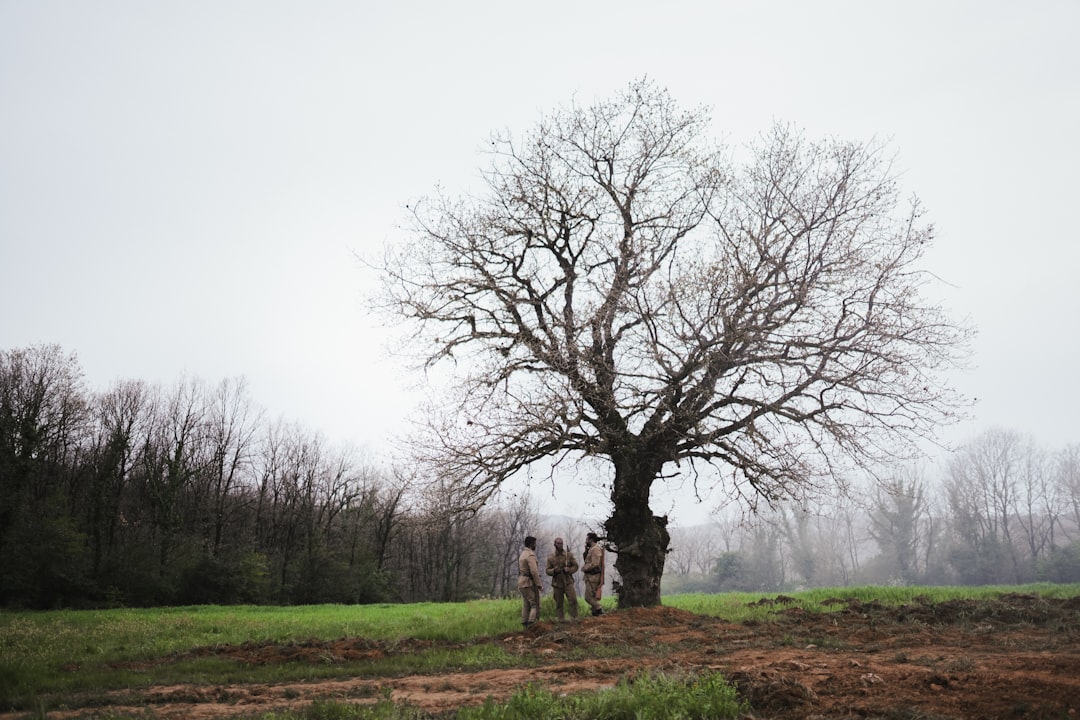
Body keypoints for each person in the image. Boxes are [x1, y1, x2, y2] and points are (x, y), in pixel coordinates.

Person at [544, 537, 580, 621]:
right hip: (557, 583)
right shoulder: (551, 557)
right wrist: (554, 571)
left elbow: (576, 566)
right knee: (559, 604)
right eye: (558, 543)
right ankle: (561, 620)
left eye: (561, 543)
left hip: (568, 581)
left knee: (573, 600)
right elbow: (547, 570)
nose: (560, 545)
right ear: (555, 544)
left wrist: (569, 570)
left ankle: (574, 618)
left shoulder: (569, 555)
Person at [517, 535, 543, 629]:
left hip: (521, 582)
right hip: (528, 582)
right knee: (535, 604)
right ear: (532, 544)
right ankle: (532, 625)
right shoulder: (530, 555)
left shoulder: (523, 554)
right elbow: (534, 571)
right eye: (535, 543)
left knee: (526, 604)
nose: (535, 545)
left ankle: (524, 624)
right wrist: (538, 584)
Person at [582, 532, 605, 616]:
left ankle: (599, 609)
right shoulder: (592, 549)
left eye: (587, 539)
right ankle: (596, 614)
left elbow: (595, 563)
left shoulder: (595, 549)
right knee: (592, 596)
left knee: (588, 597)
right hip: (590, 577)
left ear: (591, 540)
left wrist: (585, 568)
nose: (586, 541)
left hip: (593, 577)